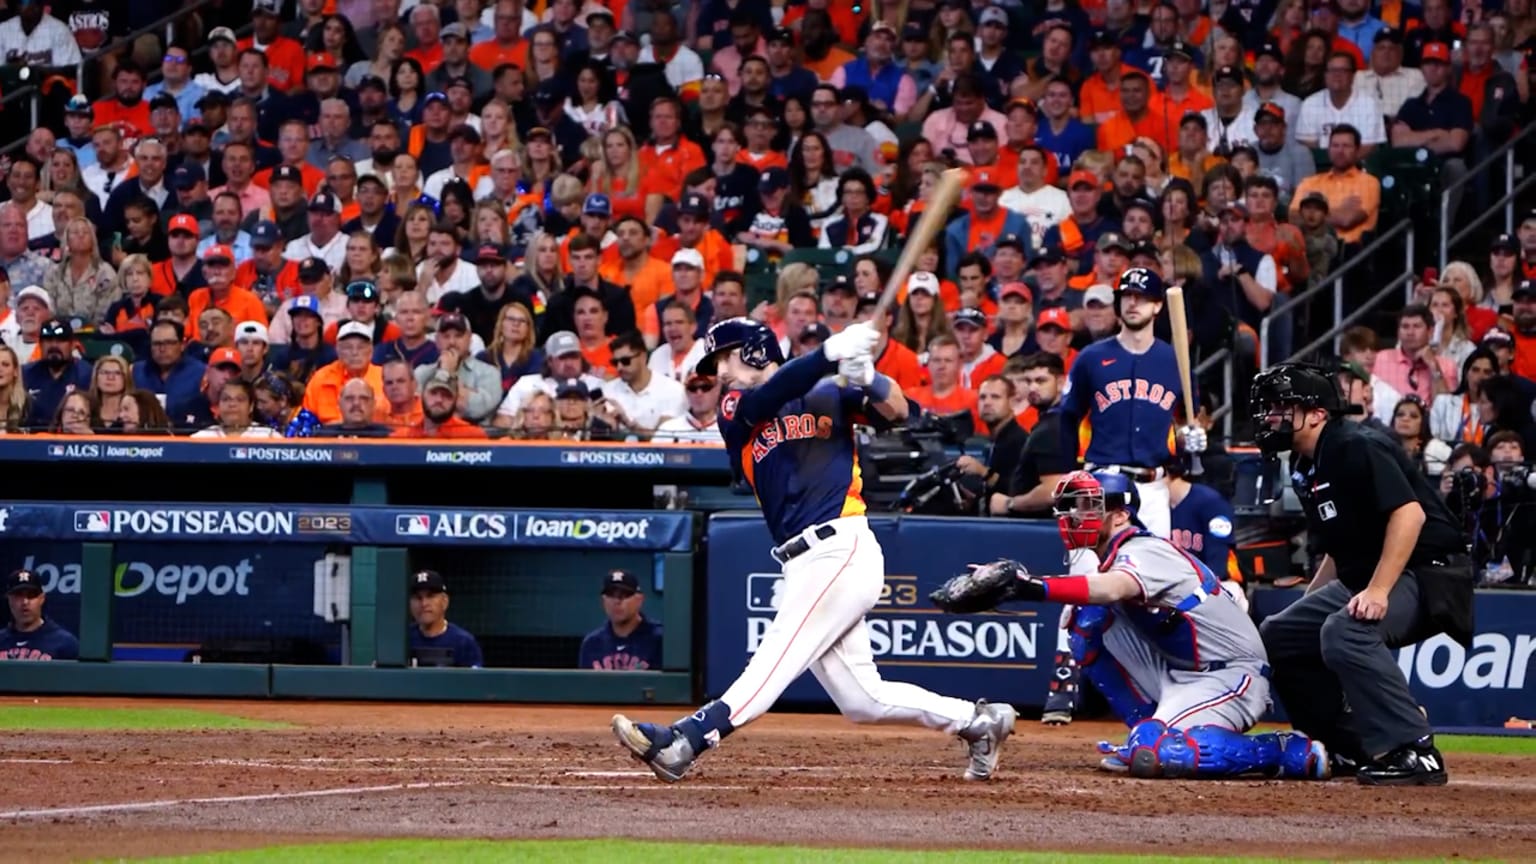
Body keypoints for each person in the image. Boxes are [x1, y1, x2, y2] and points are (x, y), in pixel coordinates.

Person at [610, 318, 1016, 783]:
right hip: (801, 560)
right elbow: (768, 397)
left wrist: (869, 377)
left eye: (725, 357)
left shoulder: (831, 390)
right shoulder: (734, 405)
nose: (720, 370)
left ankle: (685, 741)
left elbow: (901, 410)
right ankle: (978, 721)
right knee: (864, 700)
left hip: (840, 545)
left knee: (776, 656)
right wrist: (828, 353)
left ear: (757, 351)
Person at [928, 471, 1331, 781]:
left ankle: (1284, 751)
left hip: (1231, 676)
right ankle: (1146, 731)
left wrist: (1030, 586)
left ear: (1120, 514)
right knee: (1083, 620)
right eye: (1073, 506)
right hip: (1180, 670)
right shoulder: (1115, 554)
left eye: (1089, 506)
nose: (1075, 515)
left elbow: (1113, 586)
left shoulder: (1145, 548)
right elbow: (1098, 600)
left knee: (1165, 755)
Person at [1252, 363, 1473, 785]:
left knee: (1346, 631)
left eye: (1282, 407)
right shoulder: (1305, 463)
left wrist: (1379, 590)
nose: (1272, 417)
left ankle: (1415, 749)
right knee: (1282, 633)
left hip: (1429, 572)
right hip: (1375, 572)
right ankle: (1348, 744)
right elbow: (1340, 546)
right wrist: (1308, 605)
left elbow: (1409, 516)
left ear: (1316, 413)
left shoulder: (1355, 445)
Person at [578, 569, 663, 670]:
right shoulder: (592, 644)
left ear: (640, 599)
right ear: (603, 601)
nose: (617, 601)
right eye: (611, 595)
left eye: (625, 595)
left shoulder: (660, 640)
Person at [21, 319, 92, 430]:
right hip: (31, 440)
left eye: (61, 341)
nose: (54, 345)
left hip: (71, 440)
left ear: (73, 345)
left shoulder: (87, 374)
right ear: (40, 344)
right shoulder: (25, 374)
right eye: (48, 341)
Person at [407, 570, 484, 668]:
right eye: (418, 598)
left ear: (444, 601)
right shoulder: (403, 640)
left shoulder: (464, 642)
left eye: (430, 596)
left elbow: (475, 681)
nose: (424, 604)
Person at [0, 569, 79, 661]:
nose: (25, 602)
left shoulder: (65, 644)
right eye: (18, 596)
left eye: (31, 595)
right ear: (9, 599)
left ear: (42, 599)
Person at [651, 373, 724, 444]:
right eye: (692, 388)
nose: (699, 393)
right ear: (686, 392)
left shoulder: (731, 429)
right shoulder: (668, 429)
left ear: (717, 390)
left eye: (705, 387)